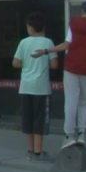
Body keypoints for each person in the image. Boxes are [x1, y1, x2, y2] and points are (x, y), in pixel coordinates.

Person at [33, 0, 86, 149]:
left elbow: (67, 44)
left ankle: (69, 135)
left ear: (83, 10)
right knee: (84, 101)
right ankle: (81, 133)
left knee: (70, 101)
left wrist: (47, 51)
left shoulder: (74, 23)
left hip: (72, 66)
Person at [13, 12, 59, 161]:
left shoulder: (23, 43)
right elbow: (54, 65)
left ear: (30, 27)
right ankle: (39, 152)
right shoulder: (48, 43)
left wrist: (26, 64)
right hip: (41, 87)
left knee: (28, 118)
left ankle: (30, 150)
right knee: (39, 119)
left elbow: (15, 63)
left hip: (25, 86)